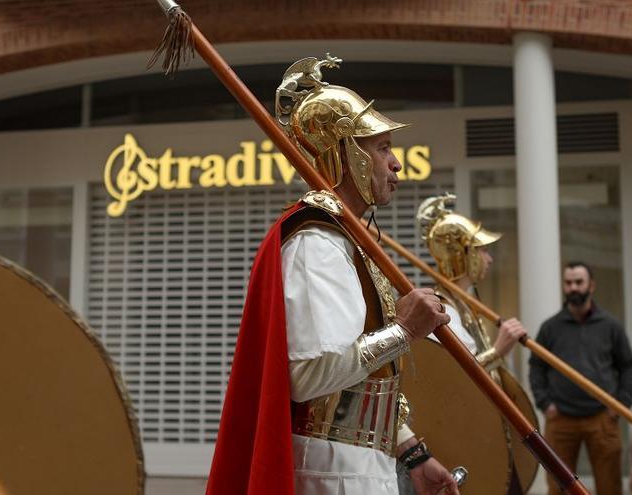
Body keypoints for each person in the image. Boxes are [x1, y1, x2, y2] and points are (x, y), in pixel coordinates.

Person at [206, 55, 460, 495]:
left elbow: (358, 389)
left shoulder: (347, 239)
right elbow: (310, 375)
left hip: (358, 463)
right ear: (347, 155)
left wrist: (412, 454)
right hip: (331, 472)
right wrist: (404, 331)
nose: (396, 163)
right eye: (381, 148)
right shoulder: (316, 243)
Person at [406, 193, 532, 494]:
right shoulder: (443, 309)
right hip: (461, 435)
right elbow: (453, 379)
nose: (488, 258)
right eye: (480, 250)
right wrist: (497, 352)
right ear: (460, 254)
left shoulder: (466, 306)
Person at [529, 261, 632, 495]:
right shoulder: (550, 327)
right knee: (558, 488)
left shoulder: (611, 326)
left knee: (610, 487)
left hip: (602, 418)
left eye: (579, 282)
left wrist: (621, 404)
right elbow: (536, 367)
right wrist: (544, 403)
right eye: (568, 283)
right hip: (560, 419)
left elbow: (628, 367)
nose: (573, 288)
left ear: (592, 286)